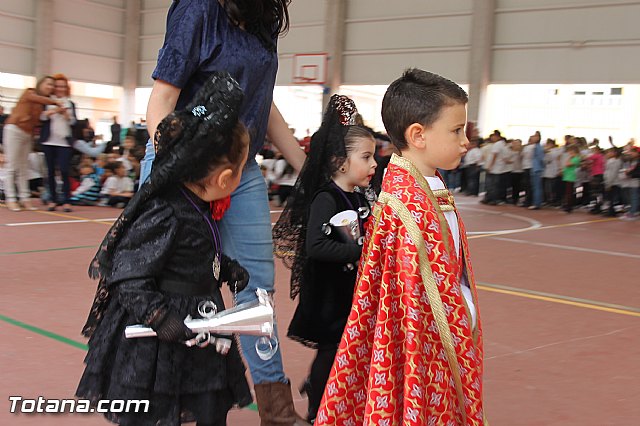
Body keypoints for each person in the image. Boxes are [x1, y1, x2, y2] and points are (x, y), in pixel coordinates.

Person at [142, 2, 308, 423]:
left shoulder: (264, 18)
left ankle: (277, 409)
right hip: (182, 158)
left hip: (241, 166)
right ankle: (174, 401)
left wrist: (309, 170)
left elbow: (263, 104)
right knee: (175, 286)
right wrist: (177, 169)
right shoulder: (198, 9)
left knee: (257, 289)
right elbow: (162, 98)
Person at [76, 73, 253, 426]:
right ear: (223, 178)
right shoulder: (166, 212)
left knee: (207, 402)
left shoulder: (198, 204)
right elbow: (128, 275)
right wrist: (158, 317)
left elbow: (192, 253)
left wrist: (225, 267)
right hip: (160, 333)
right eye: (243, 168)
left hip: (200, 320)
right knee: (157, 408)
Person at [315, 69, 486, 426]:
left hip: (441, 337)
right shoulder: (405, 207)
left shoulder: (430, 186)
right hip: (422, 347)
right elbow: (411, 303)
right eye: (456, 131)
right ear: (418, 135)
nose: (465, 141)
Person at [273, 95, 377, 423]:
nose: (375, 164)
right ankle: (317, 409)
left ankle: (326, 393)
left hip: (351, 289)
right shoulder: (326, 198)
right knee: (331, 350)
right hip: (329, 293)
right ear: (340, 162)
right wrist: (361, 251)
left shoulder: (361, 194)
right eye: (367, 157)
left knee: (348, 351)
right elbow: (316, 246)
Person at [3, 75, 60, 211]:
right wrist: (55, 102)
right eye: (48, 84)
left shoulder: (43, 105)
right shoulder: (29, 92)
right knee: (12, 166)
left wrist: (53, 111)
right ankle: (10, 198)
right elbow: (36, 98)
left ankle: (25, 198)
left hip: (27, 135)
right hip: (14, 129)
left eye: (52, 85)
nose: (50, 87)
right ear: (40, 84)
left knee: (23, 167)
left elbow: (41, 118)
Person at [39, 73, 78, 212]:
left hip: (64, 142)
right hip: (49, 141)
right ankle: (52, 200)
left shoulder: (70, 103)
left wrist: (66, 114)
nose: (60, 89)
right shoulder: (47, 101)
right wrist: (53, 110)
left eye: (63, 86)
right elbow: (41, 118)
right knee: (50, 172)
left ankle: (66, 200)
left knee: (64, 170)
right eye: (58, 86)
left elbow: (74, 122)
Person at [562, 145, 581, 213]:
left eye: (571, 151)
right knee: (567, 192)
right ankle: (567, 204)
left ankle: (569, 206)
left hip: (571, 176)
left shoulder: (576, 158)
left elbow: (568, 164)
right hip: (567, 176)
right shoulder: (572, 158)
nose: (569, 152)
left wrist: (570, 158)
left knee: (569, 192)